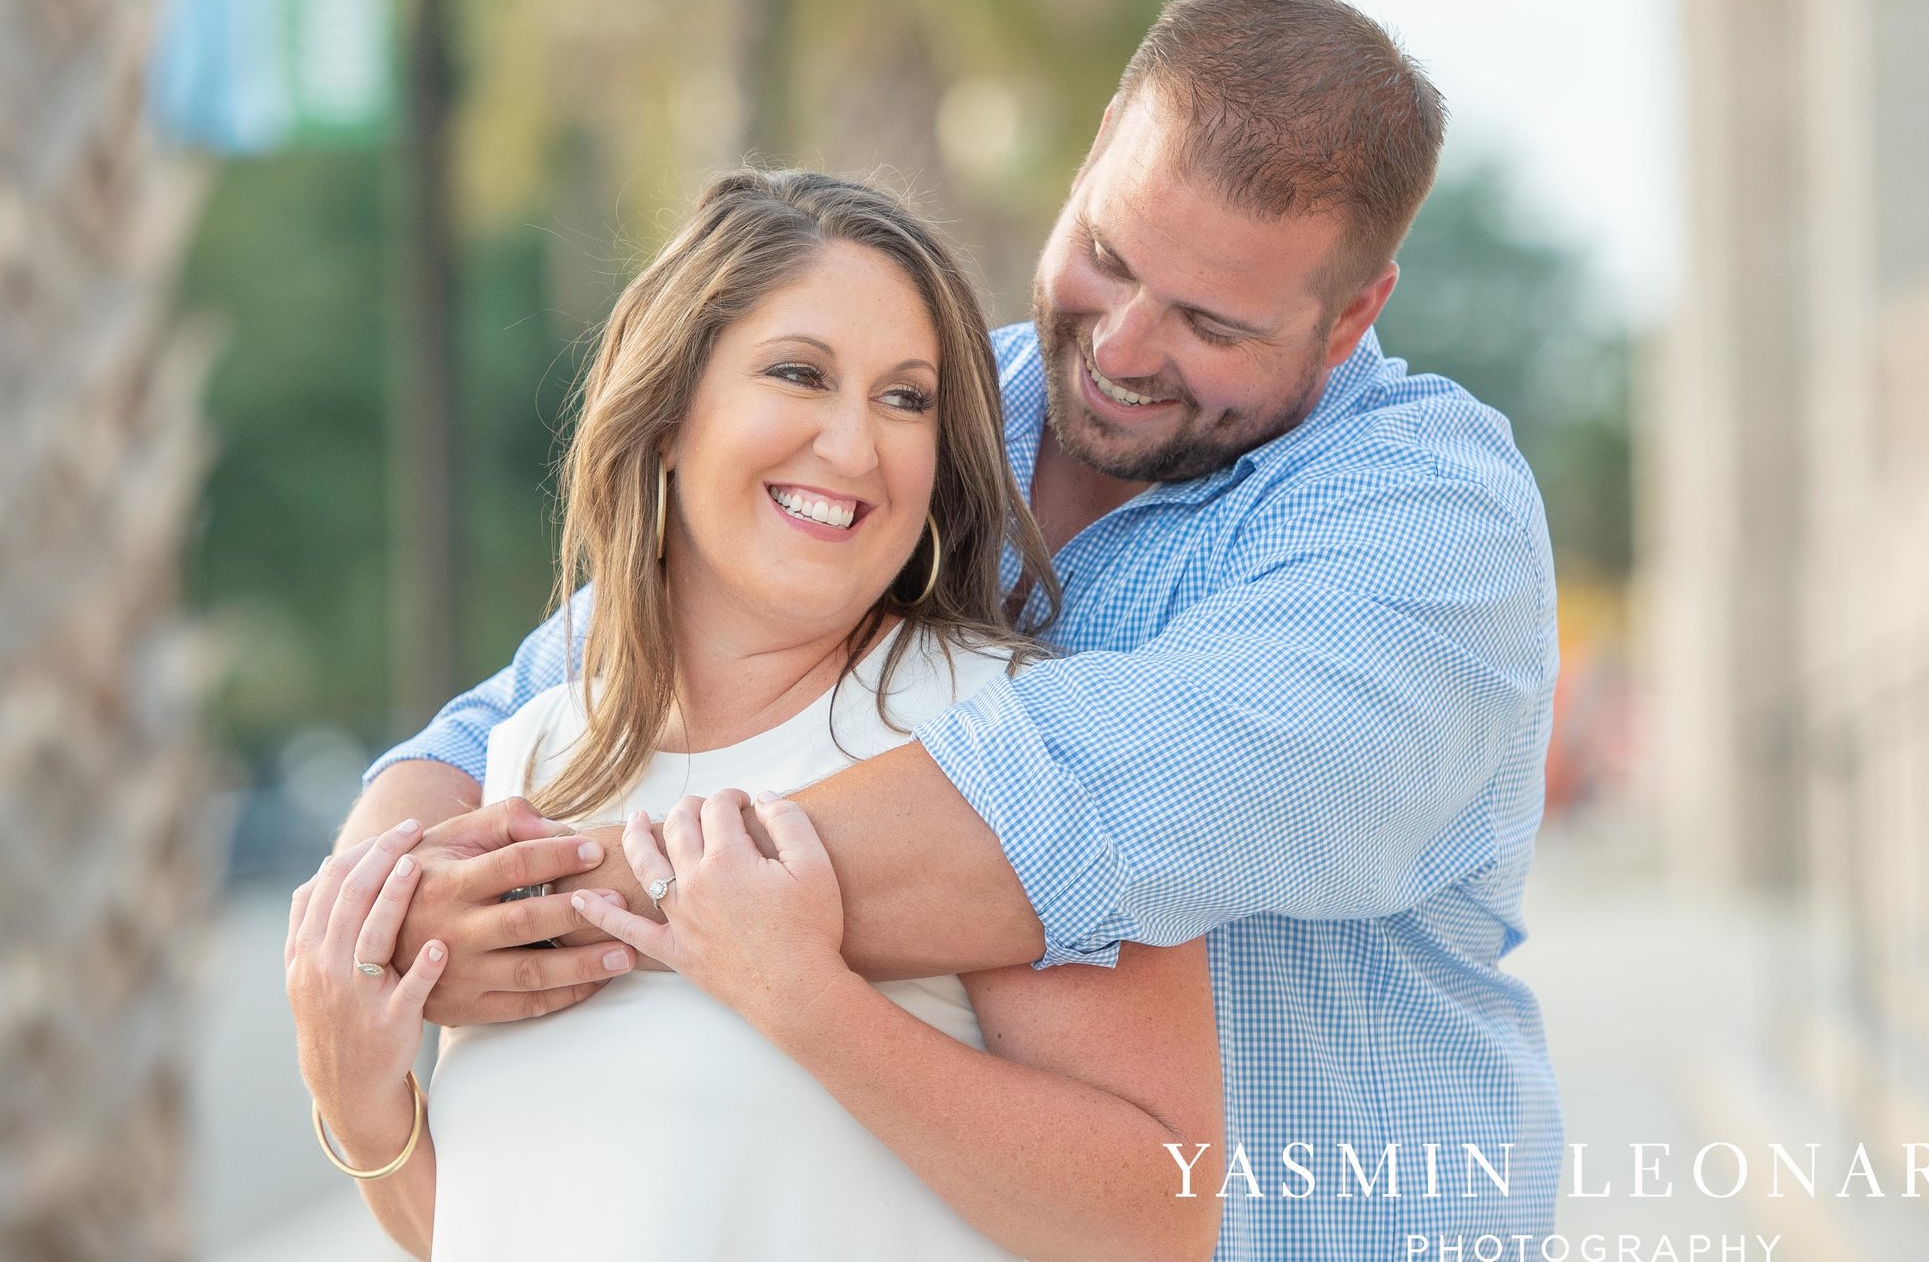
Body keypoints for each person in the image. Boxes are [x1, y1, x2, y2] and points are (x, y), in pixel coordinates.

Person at [342, 0, 1564, 1255]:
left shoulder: (1428, 526)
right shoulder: (918, 412)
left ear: (1351, 314)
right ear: (1093, 153)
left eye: (1210, 322)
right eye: (1107, 253)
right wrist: (383, 923)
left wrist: (550, 906)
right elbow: (538, 702)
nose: (1128, 346)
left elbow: (1077, 805)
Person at [286, 171, 1225, 1260]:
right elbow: (495, 1220)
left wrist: (811, 1004)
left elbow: (1165, 1210)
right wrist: (358, 1100)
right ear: (671, 414)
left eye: (905, 398)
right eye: (799, 374)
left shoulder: (1004, 734)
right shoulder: (532, 762)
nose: (854, 444)